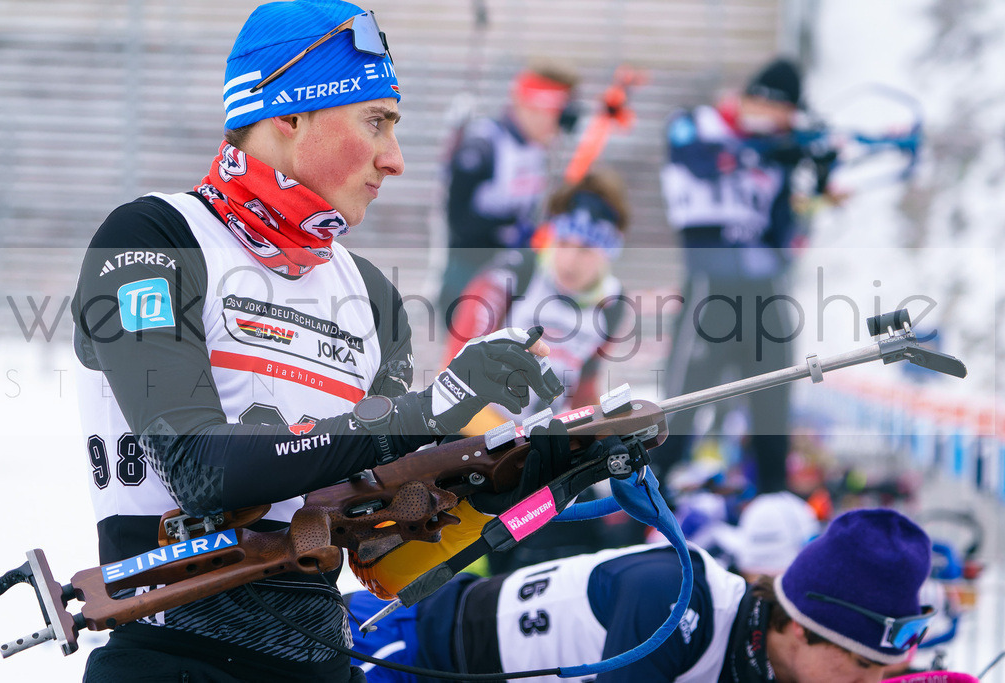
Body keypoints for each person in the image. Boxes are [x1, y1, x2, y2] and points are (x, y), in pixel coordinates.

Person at [71, 2, 569, 681]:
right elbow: (202, 469)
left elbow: (385, 551)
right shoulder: (153, 238)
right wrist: (428, 411)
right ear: (290, 115)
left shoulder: (372, 296)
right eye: (377, 121)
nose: (394, 159)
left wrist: (527, 478)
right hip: (172, 656)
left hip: (322, 662)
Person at [347, 507, 934, 682]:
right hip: (402, 649)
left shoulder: (764, 656)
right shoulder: (681, 600)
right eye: (863, 667)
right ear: (803, 627)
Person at [440, 168, 645, 573]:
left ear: (609, 251)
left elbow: (583, 389)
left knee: (569, 555)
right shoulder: (511, 277)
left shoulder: (615, 304)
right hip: (474, 448)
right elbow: (451, 381)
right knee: (469, 569)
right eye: (563, 242)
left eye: (586, 249)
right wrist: (509, 444)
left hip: (540, 458)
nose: (570, 259)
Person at [654, 57, 837, 494]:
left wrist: (817, 174)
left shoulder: (777, 150)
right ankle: (651, 496)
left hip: (764, 290)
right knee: (681, 404)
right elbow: (696, 159)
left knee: (774, 403)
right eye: (778, 113)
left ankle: (774, 499)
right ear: (759, 100)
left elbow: (781, 234)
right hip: (710, 284)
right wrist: (770, 149)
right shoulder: (696, 124)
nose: (780, 125)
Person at [436, 60, 580, 327]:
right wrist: (510, 229)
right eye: (555, 116)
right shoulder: (484, 143)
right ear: (534, 107)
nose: (557, 128)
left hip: (513, 278)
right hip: (470, 275)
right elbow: (457, 220)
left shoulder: (538, 148)